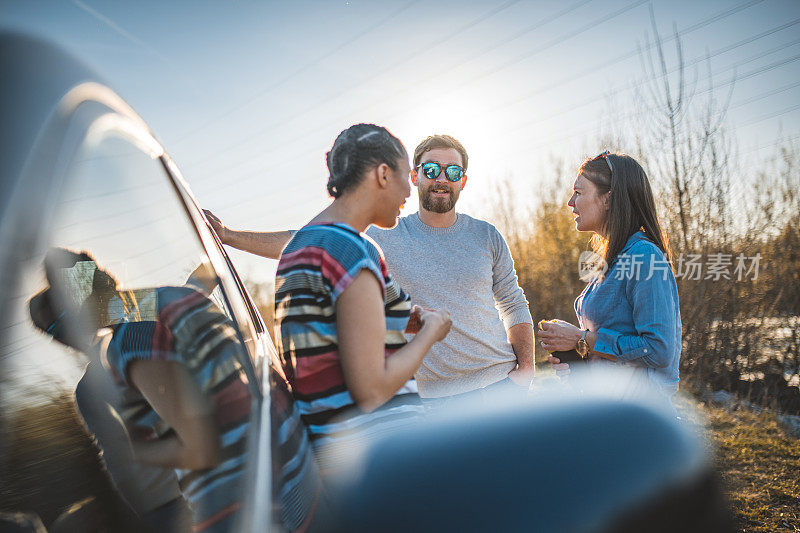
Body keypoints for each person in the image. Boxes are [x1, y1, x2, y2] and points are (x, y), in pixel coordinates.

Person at [205, 134, 534, 402]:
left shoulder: (486, 235)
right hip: (431, 403)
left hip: (498, 386)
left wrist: (526, 371)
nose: (442, 179)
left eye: (452, 172)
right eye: (432, 170)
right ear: (415, 176)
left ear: (463, 180)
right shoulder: (381, 234)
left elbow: (513, 303)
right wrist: (229, 236)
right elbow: (305, 240)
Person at [29, 249, 254, 532]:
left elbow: (199, 449)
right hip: (257, 460)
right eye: (52, 329)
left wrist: (137, 451)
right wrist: (221, 240)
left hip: (220, 496)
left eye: (60, 318)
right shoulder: (168, 299)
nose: (62, 333)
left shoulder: (129, 343)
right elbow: (208, 272)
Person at [273, 124, 451, 474]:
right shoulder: (353, 249)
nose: (408, 192)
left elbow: (328, 334)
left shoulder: (297, 248)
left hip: (338, 459)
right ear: (383, 174)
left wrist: (398, 319)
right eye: (405, 177)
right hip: (384, 458)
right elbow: (371, 389)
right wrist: (433, 330)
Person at [538, 151, 682, 404]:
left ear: (608, 199)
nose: (570, 202)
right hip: (606, 408)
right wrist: (577, 356)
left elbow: (658, 350)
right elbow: (614, 349)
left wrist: (581, 339)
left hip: (637, 418)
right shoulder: (611, 261)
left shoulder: (644, 256)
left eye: (579, 192)